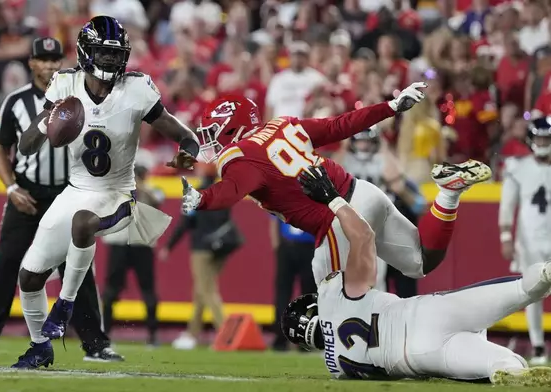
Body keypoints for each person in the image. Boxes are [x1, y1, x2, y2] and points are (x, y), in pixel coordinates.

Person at [11, 16, 198, 369]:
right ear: (85, 52)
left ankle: (65, 305)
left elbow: (180, 131)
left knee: (83, 224)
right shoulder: (65, 84)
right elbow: (27, 146)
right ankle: (39, 347)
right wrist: (48, 121)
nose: (111, 62)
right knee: (30, 275)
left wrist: (188, 148)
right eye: (103, 54)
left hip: (118, 194)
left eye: (116, 55)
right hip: (76, 188)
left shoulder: (137, 89)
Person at [181, 84, 491, 289]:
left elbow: (232, 190)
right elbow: (339, 125)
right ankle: (449, 193)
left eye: (212, 131)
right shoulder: (283, 125)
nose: (210, 140)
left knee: (333, 298)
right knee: (420, 264)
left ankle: (361, 357)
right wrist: (392, 106)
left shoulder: (240, 154)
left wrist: (201, 199)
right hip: (366, 193)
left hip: (338, 219)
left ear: (232, 126)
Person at [281, 165, 551, 386]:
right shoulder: (330, 299)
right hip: (424, 316)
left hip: (420, 358)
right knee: (524, 289)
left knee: (507, 365)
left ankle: (509, 368)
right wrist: (332, 198)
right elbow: (362, 236)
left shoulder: (337, 368)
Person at [0, 37, 121, 362]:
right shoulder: (16, 101)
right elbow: (0, 149)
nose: (49, 65)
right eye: (43, 59)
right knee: (6, 264)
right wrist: (10, 189)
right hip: (29, 193)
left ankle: (96, 344)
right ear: (31, 63)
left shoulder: (80, 96)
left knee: (78, 268)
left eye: (54, 59)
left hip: (66, 193)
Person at [336, 127, 424, 296]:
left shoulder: (381, 160)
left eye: (367, 141)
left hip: (377, 230)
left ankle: (375, 315)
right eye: (360, 141)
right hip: (349, 228)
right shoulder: (345, 160)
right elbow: (330, 172)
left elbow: (399, 180)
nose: (363, 146)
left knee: (377, 277)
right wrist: (343, 146)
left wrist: (384, 148)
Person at [162, 167, 243, 350]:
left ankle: (226, 334)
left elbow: (185, 223)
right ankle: (192, 334)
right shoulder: (223, 191)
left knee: (207, 290)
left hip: (201, 248)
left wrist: (169, 246)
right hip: (221, 247)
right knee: (201, 290)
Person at [499, 116, 551, 365]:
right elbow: (507, 204)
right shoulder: (517, 167)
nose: (543, 142)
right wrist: (506, 235)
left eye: (546, 138)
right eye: (539, 137)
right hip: (529, 239)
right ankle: (538, 346)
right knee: (533, 294)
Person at [101, 163, 164, 346]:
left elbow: (158, 199)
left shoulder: (152, 189)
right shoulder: (118, 190)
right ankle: (105, 333)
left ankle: (153, 335)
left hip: (141, 244)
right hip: (119, 243)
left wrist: (140, 187)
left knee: (148, 289)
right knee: (111, 290)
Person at [270, 218, 316, 351]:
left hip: (289, 245)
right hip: (306, 246)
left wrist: (277, 246)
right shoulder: (313, 198)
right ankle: (303, 340)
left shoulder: (283, 197)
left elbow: (273, 220)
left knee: (284, 293)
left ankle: (281, 339)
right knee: (307, 296)